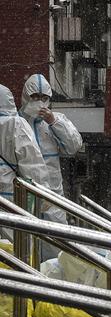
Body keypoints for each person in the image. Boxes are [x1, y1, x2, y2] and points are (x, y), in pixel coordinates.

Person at [19, 74, 82, 226]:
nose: (40, 102)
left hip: (52, 195)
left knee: (54, 240)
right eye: (35, 97)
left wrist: (53, 121)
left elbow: (73, 146)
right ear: (26, 96)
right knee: (24, 240)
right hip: (23, 193)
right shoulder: (15, 122)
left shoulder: (56, 120)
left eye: (44, 97)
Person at [0, 84, 49, 239]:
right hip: (10, 202)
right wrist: (43, 199)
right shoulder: (16, 125)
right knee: (14, 254)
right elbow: (33, 167)